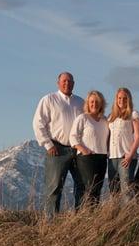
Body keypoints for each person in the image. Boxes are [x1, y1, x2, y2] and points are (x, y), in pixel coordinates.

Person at [33, 72, 85, 218]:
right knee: (54, 187)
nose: (67, 83)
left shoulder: (81, 102)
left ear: (74, 84)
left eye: (70, 81)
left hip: (77, 149)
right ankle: (50, 222)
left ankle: (80, 219)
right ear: (58, 83)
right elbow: (38, 123)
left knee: (82, 185)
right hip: (57, 149)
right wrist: (48, 145)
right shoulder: (49, 99)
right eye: (64, 81)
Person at [69, 90, 109, 206]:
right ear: (88, 103)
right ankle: (86, 216)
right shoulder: (83, 118)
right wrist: (84, 150)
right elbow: (73, 137)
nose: (94, 104)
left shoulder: (104, 120)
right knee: (89, 188)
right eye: (92, 102)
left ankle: (95, 217)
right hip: (86, 158)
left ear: (101, 104)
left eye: (97, 102)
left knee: (97, 188)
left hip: (101, 157)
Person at [107, 87, 139, 200]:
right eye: (119, 98)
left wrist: (131, 155)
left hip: (125, 157)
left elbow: (137, 136)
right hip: (112, 158)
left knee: (126, 190)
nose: (121, 100)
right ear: (116, 99)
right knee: (113, 190)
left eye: (124, 98)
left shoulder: (133, 114)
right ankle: (115, 216)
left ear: (129, 99)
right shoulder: (111, 116)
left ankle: (129, 216)